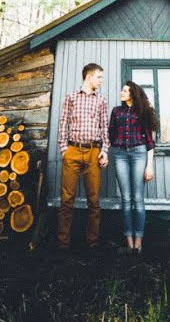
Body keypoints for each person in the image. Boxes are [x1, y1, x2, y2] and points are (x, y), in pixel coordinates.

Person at [57, 63, 109, 251]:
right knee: (66, 199)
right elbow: (63, 124)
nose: (101, 81)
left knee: (94, 200)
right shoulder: (71, 98)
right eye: (99, 77)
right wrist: (64, 149)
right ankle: (63, 244)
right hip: (72, 151)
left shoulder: (101, 100)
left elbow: (105, 127)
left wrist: (105, 150)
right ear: (89, 76)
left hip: (94, 152)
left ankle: (92, 243)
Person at [109, 81, 157, 255]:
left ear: (132, 94)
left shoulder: (143, 112)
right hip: (120, 154)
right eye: (122, 90)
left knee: (138, 198)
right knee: (126, 199)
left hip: (139, 154)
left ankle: (139, 242)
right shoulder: (116, 111)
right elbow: (111, 134)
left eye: (125, 90)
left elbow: (150, 142)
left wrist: (149, 166)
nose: (121, 92)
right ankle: (129, 243)